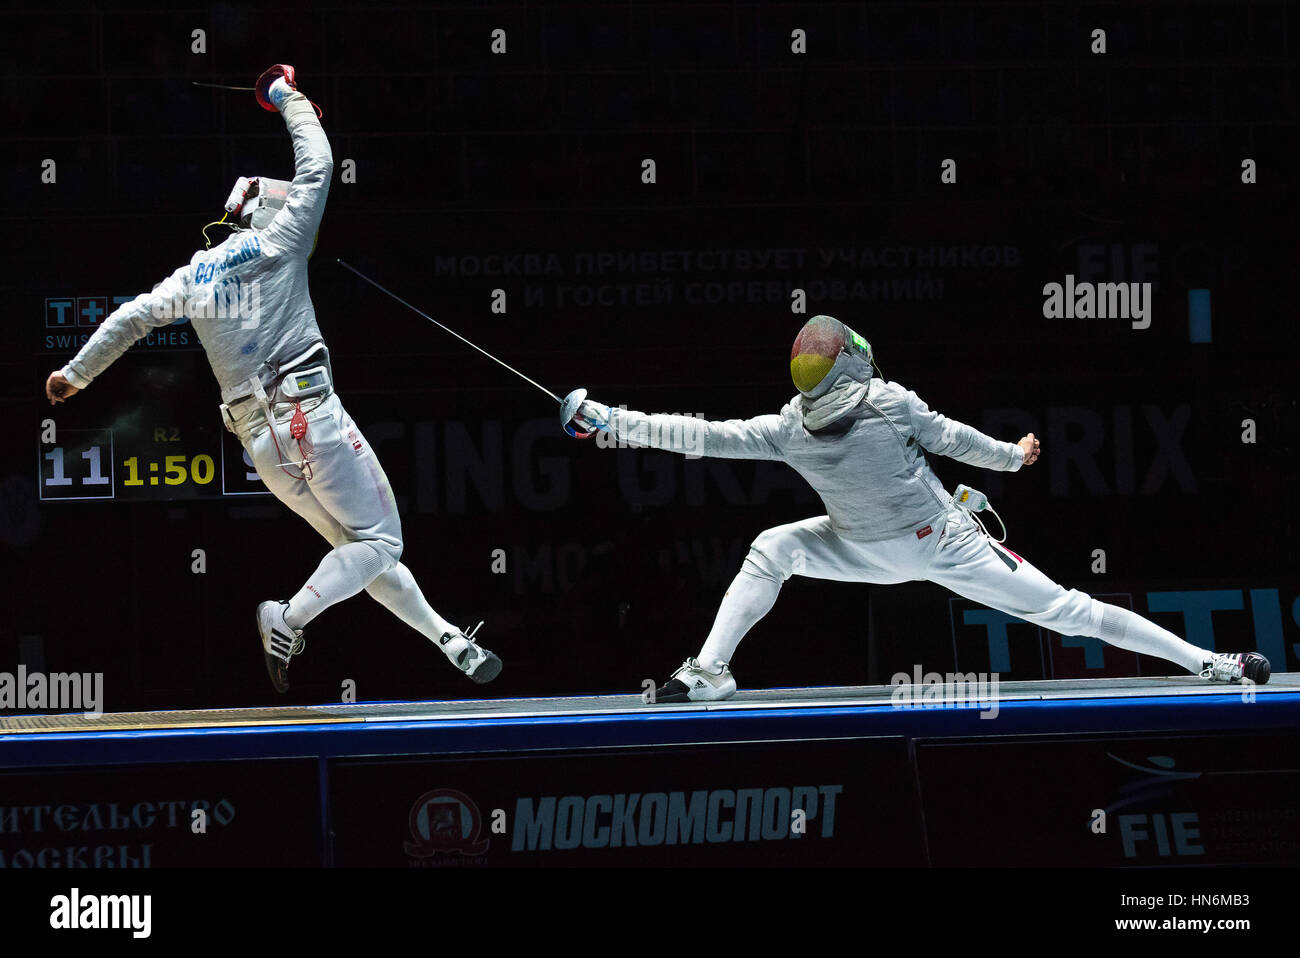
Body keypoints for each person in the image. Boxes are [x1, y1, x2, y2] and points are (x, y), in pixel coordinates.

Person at [43, 66, 501, 694]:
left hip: (261, 444)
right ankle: (286, 617)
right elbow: (319, 163)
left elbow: (129, 318)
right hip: (309, 415)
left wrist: (74, 374)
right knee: (381, 540)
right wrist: (283, 92)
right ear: (262, 209)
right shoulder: (279, 239)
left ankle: (447, 638)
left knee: (354, 547)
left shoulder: (191, 278)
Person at [567, 314, 1270, 702]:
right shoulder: (891, 400)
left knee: (774, 547)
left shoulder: (785, 429)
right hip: (944, 546)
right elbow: (960, 440)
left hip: (861, 552)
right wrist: (1014, 454)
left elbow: (696, 435)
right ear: (854, 362)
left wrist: (607, 420)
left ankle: (710, 669)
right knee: (1070, 609)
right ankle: (1210, 663)